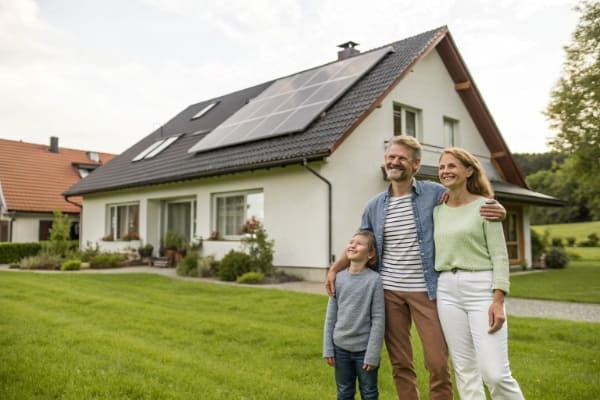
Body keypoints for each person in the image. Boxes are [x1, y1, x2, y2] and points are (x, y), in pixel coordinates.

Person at [326, 135, 506, 400]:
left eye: (401, 158)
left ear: (416, 165)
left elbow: (464, 200)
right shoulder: (374, 205)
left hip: (428, 292)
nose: (394, 162)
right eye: (391, 157)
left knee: (436, 362)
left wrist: (496, 207)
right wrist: (333, 269)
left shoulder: (434, 193)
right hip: (389, 293)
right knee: (401, 364)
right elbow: (360, 239)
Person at [434, 147, 524, 399]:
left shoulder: (487, 207)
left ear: (469, 170)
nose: (445, 171)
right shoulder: (437, 210)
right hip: (447, 290)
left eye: (451, 166)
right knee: (465, 371)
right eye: (442, 167)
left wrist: (498, 300)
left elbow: (500, 256)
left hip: (481, 288)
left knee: (495, 373)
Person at [323, 230, 385, 400]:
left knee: (369, 393)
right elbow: (331, 318)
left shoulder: (374, 280)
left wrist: (373, 354)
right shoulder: (338, 279)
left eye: (359, 243)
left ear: (370, 254)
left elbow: (379, 319)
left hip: (364, 351)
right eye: (351, 242)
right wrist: (328, 347)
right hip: (340, 348)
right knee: (344, 392)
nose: (352, 245)